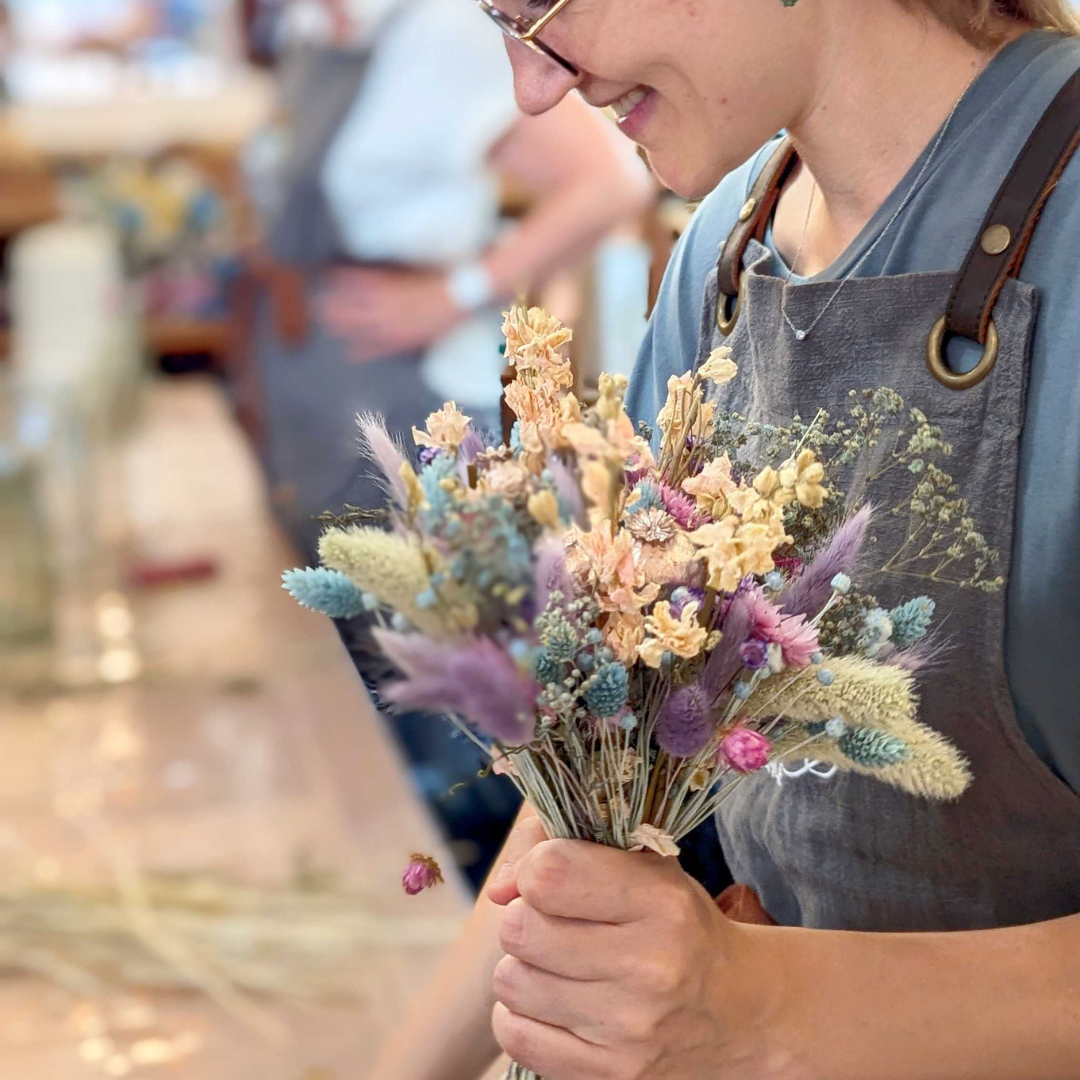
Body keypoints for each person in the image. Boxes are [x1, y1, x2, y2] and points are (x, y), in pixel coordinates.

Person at [365, 2, 1080, 1079]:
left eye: (545, 7)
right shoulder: (726, 253)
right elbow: (600, 766)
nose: (533, 86)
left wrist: (758, 1005)